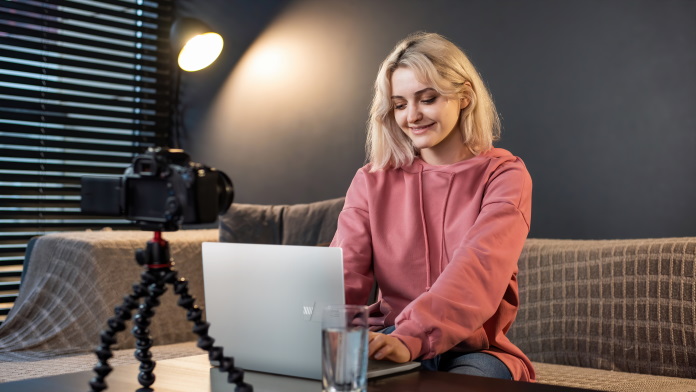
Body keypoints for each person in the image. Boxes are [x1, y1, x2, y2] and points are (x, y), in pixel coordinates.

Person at [330, 32, 535, 382]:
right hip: (389, 339)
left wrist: (412, 338)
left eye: (427, 99)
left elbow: (477, 270)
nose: (412, 116)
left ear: (465, 96)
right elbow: (342, 272)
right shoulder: (371, 180)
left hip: (475, 351)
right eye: (399, 104)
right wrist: (311, 328)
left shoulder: (505, 175)